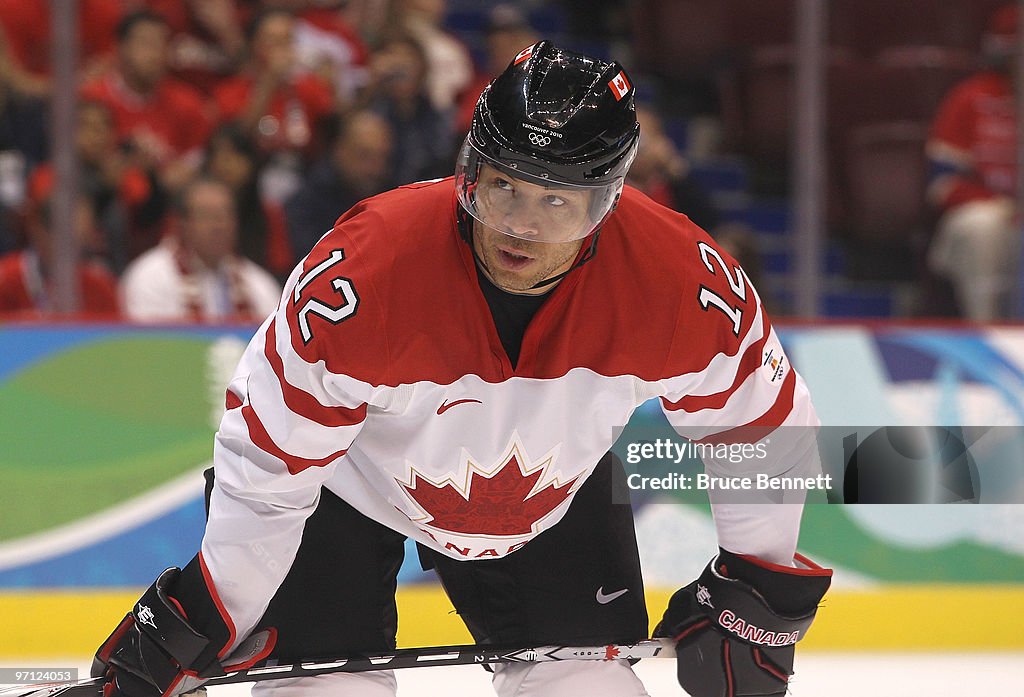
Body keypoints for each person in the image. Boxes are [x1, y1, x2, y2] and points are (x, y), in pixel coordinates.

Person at [92, 42, 830, 697]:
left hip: (551, 489)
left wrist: (757, 582)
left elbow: (761, 423)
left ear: (606, 204)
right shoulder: (365, 274)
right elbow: (271, 461)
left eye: (556, 201)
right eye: (502, 183)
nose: (519, 224)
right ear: (469, 165)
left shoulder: (677, 282)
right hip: (340, 492)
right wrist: (205, 611)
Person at [926, 3, 1018, 321]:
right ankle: (988, 332)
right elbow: (943, 183)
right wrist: (1003, 206)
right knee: (980, 229)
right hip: (990, 214)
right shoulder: (971, 98)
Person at [120, 176, 281, 323]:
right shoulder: (151, 276)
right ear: (182, 224)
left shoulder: (259, 283)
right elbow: (150, 344)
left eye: (226, 215)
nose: (219, 225)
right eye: (207, 215)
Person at [284, 109, 394, 258]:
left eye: (382, 157)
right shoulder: (307, 203)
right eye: (364, 156)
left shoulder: (391, 194)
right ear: (340, 150)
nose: (375, 168)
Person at [0, 194, 119, 317]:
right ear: (38, 231)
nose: (77, 250)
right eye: (68, 240)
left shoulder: (101, 286)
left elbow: (116, 333)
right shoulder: (6, 279)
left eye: (84, 239)